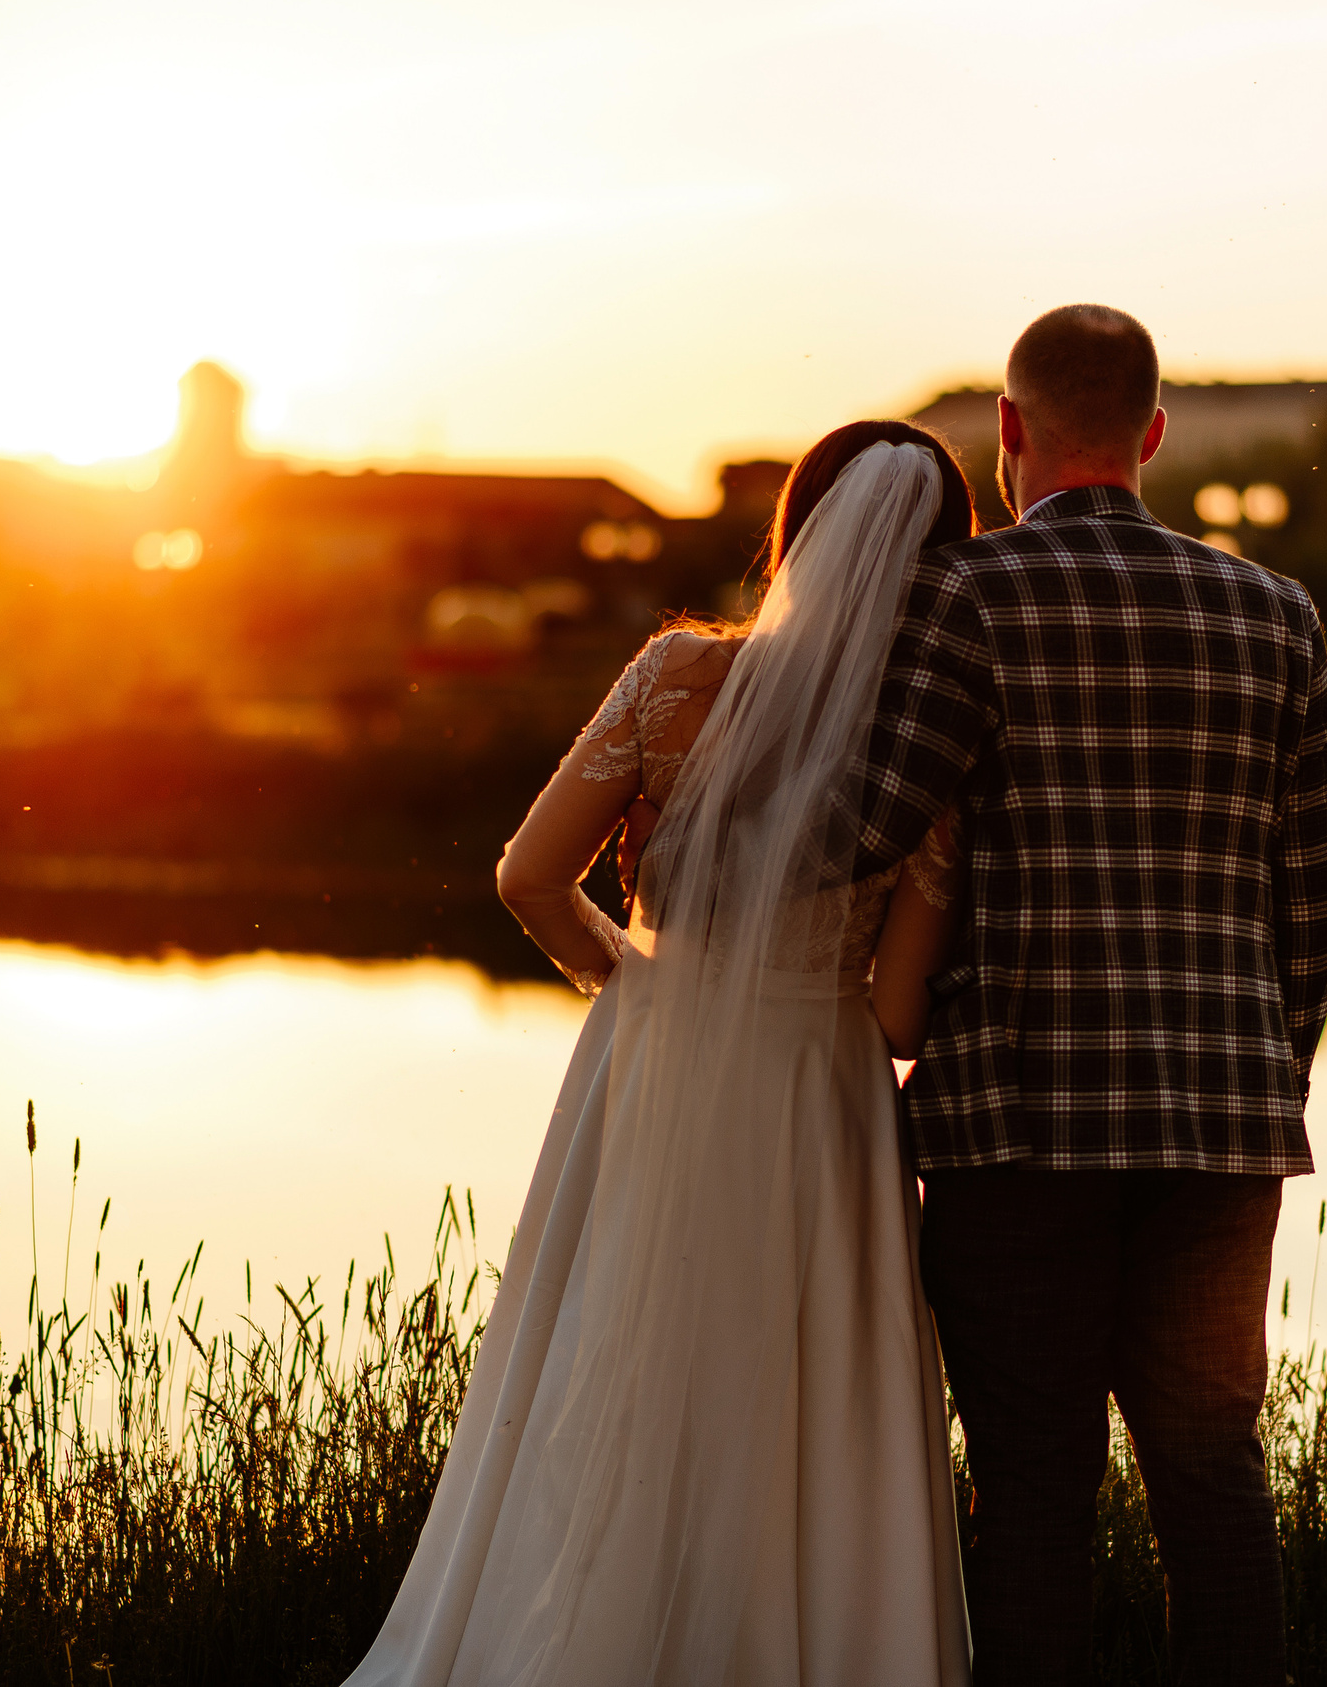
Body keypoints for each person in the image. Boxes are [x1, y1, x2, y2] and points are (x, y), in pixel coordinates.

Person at [341, 422, 978, 1686]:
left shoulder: (674, 675)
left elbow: (528, 875)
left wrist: (638, 979)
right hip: (822, 1089)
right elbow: (901, 1018)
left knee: (613, 1345)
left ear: (794, 531)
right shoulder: (929, 754)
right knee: (808, 1392)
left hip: (654, 1057)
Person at [855, 305, 1327, 1686]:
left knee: (1031, 1493)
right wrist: (1256, 1068)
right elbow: (1311, 901)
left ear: (1009, 432)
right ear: (1154, 435)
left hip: (1018, 1131)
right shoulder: (1276, 615)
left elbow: (872, 823)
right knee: (1211, 1473)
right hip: (1219, 1131)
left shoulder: (969, 597)